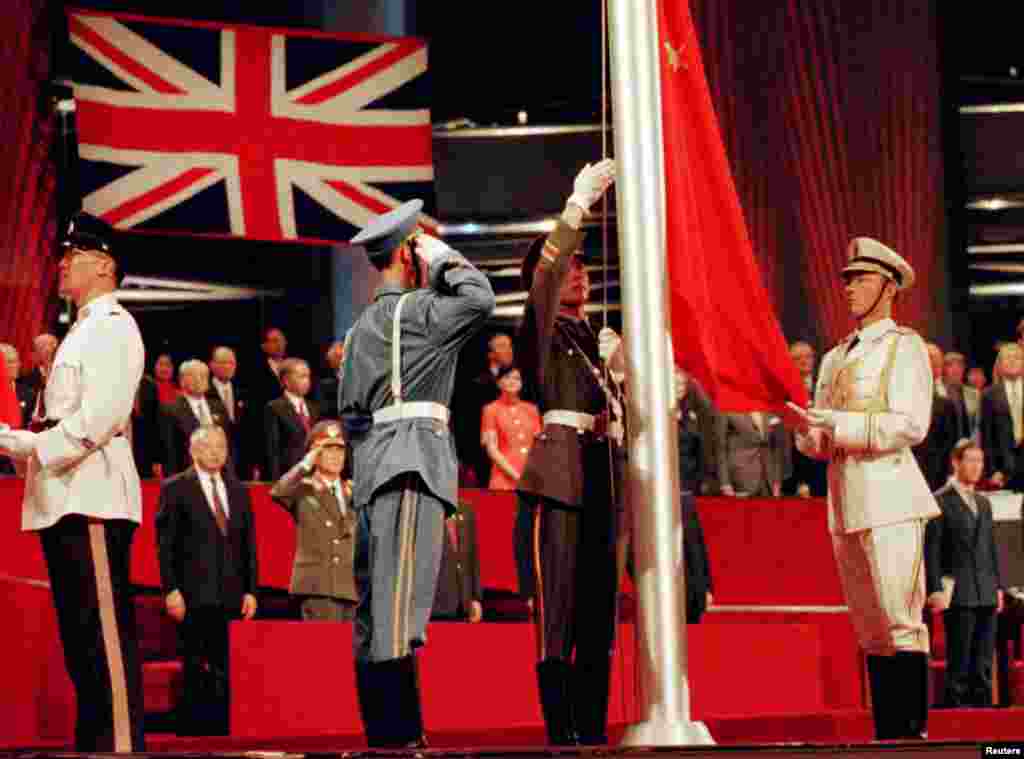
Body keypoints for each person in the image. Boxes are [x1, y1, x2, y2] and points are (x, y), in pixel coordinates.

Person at [340, 199, 494, 747]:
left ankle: (386, 734)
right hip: (412, 466)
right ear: (410, 250)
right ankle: (399, 740)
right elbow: (480, 299)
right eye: (420, 243)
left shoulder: (360, 329)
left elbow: (351, 415)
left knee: (377, 605)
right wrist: (444, 255)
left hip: (377, 467)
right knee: (399, 608)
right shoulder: (423, 311)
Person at [0, 211, 146, 751]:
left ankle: (120, 749)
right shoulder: (83, 330)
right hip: (68, 495)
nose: (61, 264)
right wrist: (15, 441)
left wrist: (31, 444)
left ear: (103, 266)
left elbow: (97, 419)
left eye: (72, 255)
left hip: (94, 496)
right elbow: (58, 427)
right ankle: (97, 745)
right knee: (82, 645)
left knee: (104, 644)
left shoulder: (112, 326)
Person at [790, 236, 939, 741]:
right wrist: (804, 426)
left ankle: (910, 735)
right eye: (848, 279)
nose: (850, 288)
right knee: (871, 629)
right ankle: (887, 736)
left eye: (862, 279)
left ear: (889, 288)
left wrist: (838, 423)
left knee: (901, 620)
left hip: (892, 496)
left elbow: (910, 424)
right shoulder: (833, 358)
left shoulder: (905, 347)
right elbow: (818, 442)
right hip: (846, 497)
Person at [515, 158, 619, 746]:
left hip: (602, 474)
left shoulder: (593, 338)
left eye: (583, 266)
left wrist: (623, 371)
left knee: (597, 612)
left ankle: (593, 730)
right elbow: (548, 275)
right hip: (559, 476)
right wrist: (576, 207)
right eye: (569, 266)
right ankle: (563, 734)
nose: (577, 274)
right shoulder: (543, 325)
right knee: (556, 614)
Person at [155, 425, 258, 735]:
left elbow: (248, 545)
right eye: (209, 446)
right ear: (193, 450)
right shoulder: (175, 488)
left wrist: (251, 590)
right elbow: (165, 545)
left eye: (221, 447)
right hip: (192, 594)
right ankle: (195, 731)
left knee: (227, 665)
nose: (216, 452)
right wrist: (171, 590)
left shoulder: (238, 489)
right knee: (196, 664)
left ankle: (222, 728)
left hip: (231, 594)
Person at [925, 439, 1004, 708]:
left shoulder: (984, 504)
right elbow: (932, 550)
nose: (976, 466)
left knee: (983, 661)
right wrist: (934, 589)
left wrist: (998, 587)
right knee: (959, 661)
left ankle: (983, 714)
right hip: (958, 592)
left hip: (986, 591)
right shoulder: (940, 501)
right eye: (970, 460)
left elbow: (991, 549)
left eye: (980, 461)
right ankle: (957, 715)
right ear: (956, 462)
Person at [270, 420, 358, 621]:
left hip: (350, 587)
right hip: (318, 586)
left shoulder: (352, 490)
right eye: (328, 448)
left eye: (340, 449)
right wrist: (305, 464)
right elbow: (278, 492)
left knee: (350, 652)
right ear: (314, 453)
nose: (336, 455)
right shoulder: (303, 488)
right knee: (325, 650)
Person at [674, 367, 714, 623]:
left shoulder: (692, 415)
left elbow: (702, 451)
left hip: (686, 488)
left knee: (693, 545)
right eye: (674, 383)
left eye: (682, 385)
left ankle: (701, 594)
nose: (679, 388)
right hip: (665, 489)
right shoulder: (659, 417)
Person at [454, 331, 515, 485]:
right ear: (490, 354)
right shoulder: (474, 385)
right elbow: (466, 422)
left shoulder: (520, 384)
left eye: (510, 346)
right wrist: (467, 456)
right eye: (502, 346)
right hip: (482, 456)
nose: (509, 350)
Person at [159, 360, 231, 477]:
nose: (199, 379)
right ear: (182, 381)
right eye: (193, 375)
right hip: (188, 475)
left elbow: (228, 442)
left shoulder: (218, 406)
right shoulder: (170, 410)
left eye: (203, 375)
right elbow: (169, 451)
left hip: (221, 473)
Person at [481, 364, 541, 489]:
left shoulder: (532, 409)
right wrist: (517, 477)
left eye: (517, 378)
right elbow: (492, 450)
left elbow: (538, 444)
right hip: (503, 477)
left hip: (532, 475)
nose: (512, 381)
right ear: (498, 383)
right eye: (507, 377)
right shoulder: (491, 409)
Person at [913, 343, 960, 491]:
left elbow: (954, 437)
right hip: (915, 464)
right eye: (927, 357)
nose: (932, 362)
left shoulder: (954, 393)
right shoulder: (908, 393)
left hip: (940, 469)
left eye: (935, 358)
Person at [265, 358, 320, 481]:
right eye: (301, 376)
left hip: (314, 474)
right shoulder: (275, 407)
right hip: (290, 474)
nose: (307, 381)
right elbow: (272, 449)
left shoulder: (314, 407)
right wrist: (276, 480)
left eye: (308, 376)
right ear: (286, 380)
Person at [785, 341, 828, 497]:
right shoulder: (783, 391)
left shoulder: (825, 386)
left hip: (823, 460)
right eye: (797, 358)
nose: (804, 361)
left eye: (808, 357)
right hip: (794, 464)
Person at [245, 327, 288, 479]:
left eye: (282, 340)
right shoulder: (254, 371)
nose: (280, 344)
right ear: (264, 346)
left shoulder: (292, 367)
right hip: (266, 436)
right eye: (275, 341)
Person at [431, 499, 483, 623]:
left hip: (463, 605)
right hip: (435, 607)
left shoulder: (466, 510)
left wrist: (476, 598)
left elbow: (473, 556)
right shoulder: (425, 512)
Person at [980, 342, 1024, 490]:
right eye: (1007, 358)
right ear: (999, 364)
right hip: (1004, 470)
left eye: (1017, 357)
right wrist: (992, 470)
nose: (1012, 361)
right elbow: (986, 436)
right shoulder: (989, 395)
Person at [715, 411, 788, 497]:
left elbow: (777, 447)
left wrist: (777, 481)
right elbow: (720, 448)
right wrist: (725, 483)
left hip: (768, 480)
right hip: (741, 479)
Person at [208, 346, 245, 472]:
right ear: (212, 365)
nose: (228, 366)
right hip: (213, 454)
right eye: (223, 362)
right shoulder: (205, 391)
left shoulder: (242, 392)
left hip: (239, 458)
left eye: (231, 363)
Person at [313, 340, 345, 421]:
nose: (343, 361)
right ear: (331, 360)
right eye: (339, 357)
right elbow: (323, 410)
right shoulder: (323, 383)